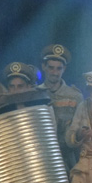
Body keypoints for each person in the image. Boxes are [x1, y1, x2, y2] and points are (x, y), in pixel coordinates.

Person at [37, 44, 84, 175]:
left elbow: (81, 127)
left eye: (59, 68)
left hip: (67, 158)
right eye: (51, 68)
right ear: (43, 67)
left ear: (64, 69)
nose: (54, 72)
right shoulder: (34, 95)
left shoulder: (75, 96)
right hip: (39, 158)